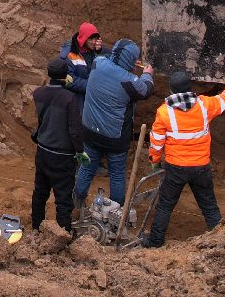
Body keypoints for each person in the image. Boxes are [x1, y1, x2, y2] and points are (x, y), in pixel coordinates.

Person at [139, 70, 225, 248]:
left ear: (171, 91)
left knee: (165, 206)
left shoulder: (164, 112)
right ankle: (221, 241)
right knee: (209, 206)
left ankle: (155, 241)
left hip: (176, 168)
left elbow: (156, 142)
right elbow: (223, 100)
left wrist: (154, 161)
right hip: (201, 167)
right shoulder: (204, 105)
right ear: (189, 88)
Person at [74, 38, 153, 210]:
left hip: (89, 131)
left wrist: (123, 57)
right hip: (114, 138)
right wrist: (147, 73)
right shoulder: (129, 80)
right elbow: (146, 90)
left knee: (86, 168)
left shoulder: (98, 63)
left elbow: (108, 55)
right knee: (117, 174)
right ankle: (115, 211)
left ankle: (77, 204)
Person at [29, 57, 84, 233]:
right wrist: (80, 151)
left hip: (43, 151)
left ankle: (36, 228)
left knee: (40, 192)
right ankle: (63, 234)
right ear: (65, 75)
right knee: (63, 198)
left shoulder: (38, 93)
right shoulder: (69, 98)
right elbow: (74, 130)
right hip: (63, 156)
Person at [55, 22, 102, 97]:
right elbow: (66, 79)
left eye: (96, 38)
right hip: (73, 98)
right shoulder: (69, 54)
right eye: (91, 38)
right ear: (84, 38)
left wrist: (98, 52)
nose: (94, 42)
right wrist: (90, 86)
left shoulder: (91, 50)